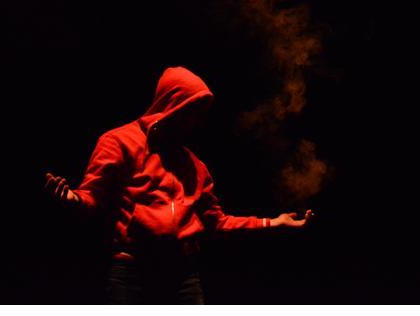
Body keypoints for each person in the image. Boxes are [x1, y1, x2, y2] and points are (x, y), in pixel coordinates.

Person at [44, 66, 315, 304]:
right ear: (172, 104)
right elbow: (92, 196)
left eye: (199, 113)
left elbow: (216, 222)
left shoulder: (195, 166)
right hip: (132, 274)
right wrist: (73, 199)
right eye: (191, 111)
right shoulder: (118, 142)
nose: (196, 122)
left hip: (183, 277)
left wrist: (273, 223)